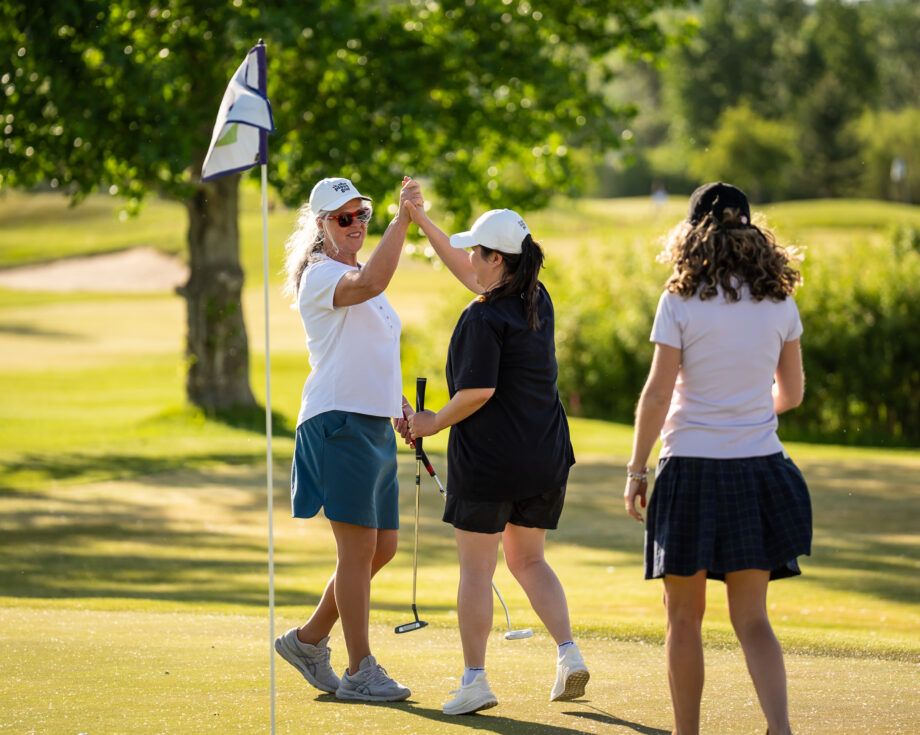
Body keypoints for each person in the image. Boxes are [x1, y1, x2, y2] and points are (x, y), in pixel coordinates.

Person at [624, 182, 811, 735]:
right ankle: (780, 730)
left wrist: (637, 468)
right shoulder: (781, 301)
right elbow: (793, 394)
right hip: (759, 469)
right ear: (751, 231)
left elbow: (658, 393)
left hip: (691, 468)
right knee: (753, 618)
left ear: (691, 231)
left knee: (683, 618)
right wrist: (750, 408)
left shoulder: (678, 299)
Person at [404, 202, 589, 715]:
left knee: (476, 570)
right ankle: (568, 654)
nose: (468, 256)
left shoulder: (481, 316)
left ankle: (475, 679)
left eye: (475, 250)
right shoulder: (535, 296)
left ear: (497, 260)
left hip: (489, 463)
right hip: (545, 456)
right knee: (529, 560)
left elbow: (478, 391)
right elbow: (469, 273)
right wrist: (421, 222)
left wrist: (430, 421)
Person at [274, 175, 421, 702]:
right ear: (321, 226)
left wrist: (398, 402)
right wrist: (403, 221)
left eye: (363, 214)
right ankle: (361, 670)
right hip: (337, 420)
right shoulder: (320, 274)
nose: (357, 224)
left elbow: (372, 349)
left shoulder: (358, 271)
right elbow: (373, 286)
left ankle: (309, 640)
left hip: (372, 420)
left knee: (382, 548)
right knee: (357, 551)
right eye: (344, 217)